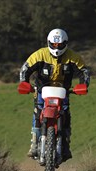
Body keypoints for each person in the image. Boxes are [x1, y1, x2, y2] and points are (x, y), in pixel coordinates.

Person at [19, 28, 90, 163]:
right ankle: (34, 143)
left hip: (63, 91)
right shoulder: (40, 54)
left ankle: (65, 145)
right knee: (38, 112)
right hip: (41, 90)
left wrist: (84, 85)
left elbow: (84, 72)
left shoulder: (73, 57)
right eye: (54, 44)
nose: (57, 48)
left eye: (60, 45)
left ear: (66, 43)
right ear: (49, 43)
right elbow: (25, 69)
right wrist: (24, 83)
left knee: (66, 115)